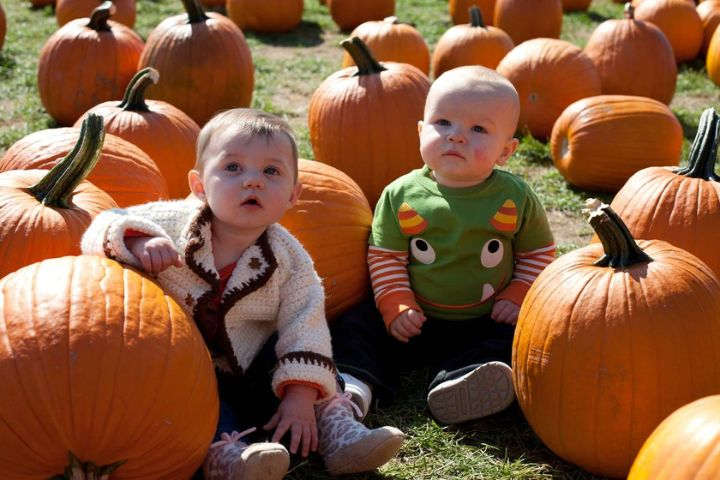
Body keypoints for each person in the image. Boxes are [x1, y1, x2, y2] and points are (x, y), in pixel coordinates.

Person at [81, 108, 404, 480]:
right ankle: (226, 455)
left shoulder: (290, 260)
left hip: (251, 365)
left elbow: (306, 324)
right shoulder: (169, 223)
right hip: (176, 364)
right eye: (233, 168)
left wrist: (300, 392)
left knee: (312, 368)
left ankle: (335, 427)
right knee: (197, 402)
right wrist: (138, 241)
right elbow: (101, 224)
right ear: (200, 185)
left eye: (271, 172)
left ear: (292, 196)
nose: (253, 182)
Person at [331, 66, 556, 425]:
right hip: (415, 319)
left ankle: (459, 382)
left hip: (485, 317)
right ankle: (354, 387)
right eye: (443, 123)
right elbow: (385, 255)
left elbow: (538, 254)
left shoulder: (514, 197)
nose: (457, 137)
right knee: (357, 325)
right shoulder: (400, 194)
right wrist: (395, 303)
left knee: (517, 337)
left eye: (478, 129)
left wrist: (516, 295)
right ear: (421, 131)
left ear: (506, 151)